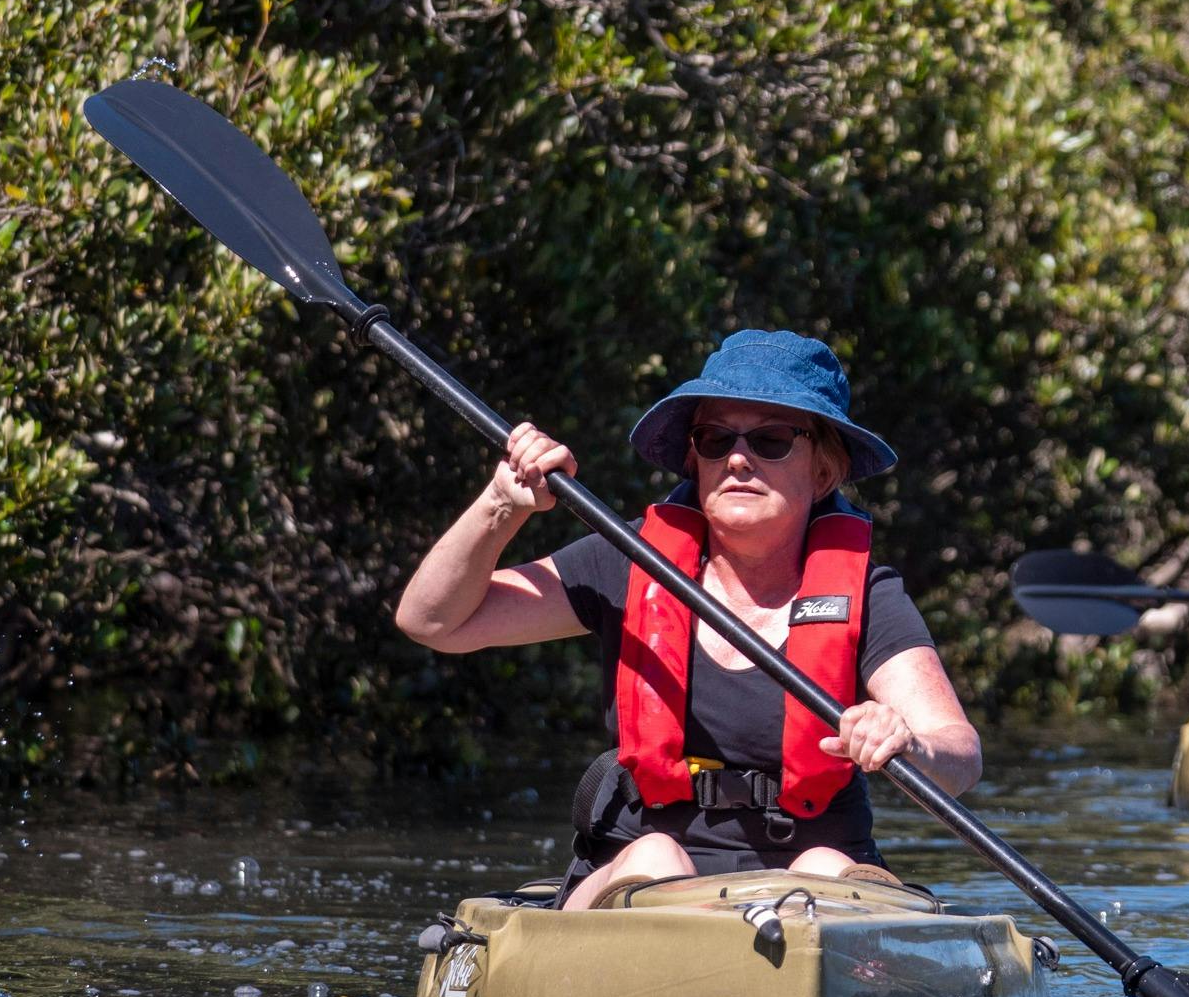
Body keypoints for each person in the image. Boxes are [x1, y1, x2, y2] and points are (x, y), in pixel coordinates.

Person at [394, 329, 980, 910]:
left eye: (773, 440)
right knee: (658, 859)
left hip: (810, 892)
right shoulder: (626, 562)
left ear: (823, 472)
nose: (739, 460)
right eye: (715, 438)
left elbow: (960, 756)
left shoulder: (869, 596)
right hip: (644, 872)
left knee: (823, 871)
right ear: (694, 460)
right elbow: (434, 621)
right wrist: (502, 505)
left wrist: (907, 745)